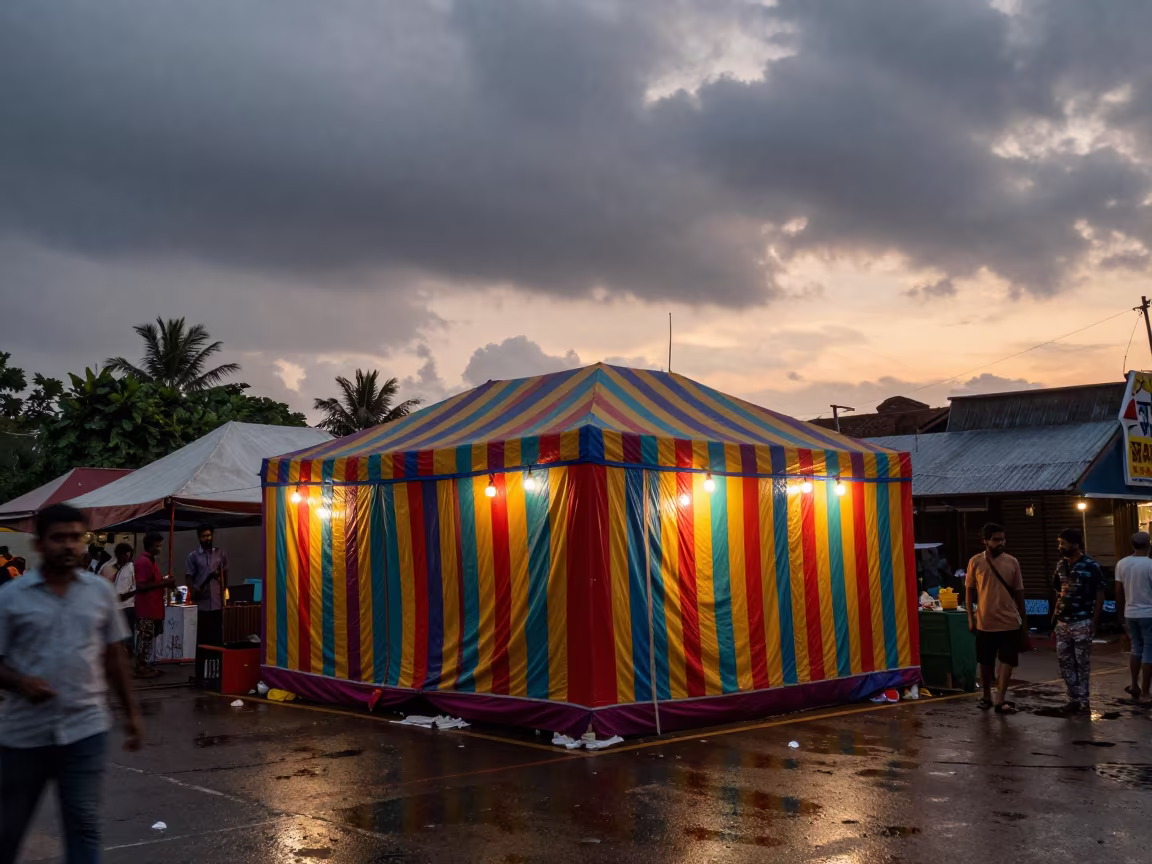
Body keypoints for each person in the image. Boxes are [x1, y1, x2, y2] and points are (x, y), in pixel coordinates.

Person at [0, 503, 143, 864]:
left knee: (83, 825)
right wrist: (20, 682)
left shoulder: (100, 593)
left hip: (84, 730)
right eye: (58, 538)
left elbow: (114, 658)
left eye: (75, 538)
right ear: (39, 544)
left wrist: (132, 716)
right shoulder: (11, 597)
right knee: (7, 829)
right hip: (23, 735)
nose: (68, 546)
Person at [966, 523, 1028, 714]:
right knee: (985, 662)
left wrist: (1024, 622)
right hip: (985, 621)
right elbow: (969, 591)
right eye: (996, 539)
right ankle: (986, 696)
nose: (1001, 542)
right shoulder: (975, 562)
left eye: (1002, 538)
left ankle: (1000, 700)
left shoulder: (1012, 562)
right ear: (984, 541)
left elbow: (1019, 592)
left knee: (1008, 660)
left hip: (1009, 621)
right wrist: (970, 616)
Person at [1050, 527, 1105, 714]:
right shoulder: (1060, 566)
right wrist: (1054, 619)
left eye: (1062, 543)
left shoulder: (1091, 565)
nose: (1060, 547)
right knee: (1064, 662)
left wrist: (1094, 622)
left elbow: (1100, 594)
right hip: (1062, 622)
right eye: (1059, 543)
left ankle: (1084, 700)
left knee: (1082, 663)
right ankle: (1073, 698)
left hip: (1082, 621)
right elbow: (1059, 592)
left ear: (1075, 544)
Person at [1116, 531, 1152, 704]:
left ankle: (1134, 685)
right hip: (1149, 613)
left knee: (1136, 648)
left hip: (1130, 613)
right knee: (1149, 651)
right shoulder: (1150, 565)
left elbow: (1118, 591)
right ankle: (1146, 692)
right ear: (1149, 545)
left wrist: (1120, 616)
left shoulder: (1122, 564)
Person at [133, 533, 174, 678]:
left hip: (152, 608)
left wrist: (163, 581)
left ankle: (144, 665)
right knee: (144, 639)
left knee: (147, 639)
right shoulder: (144, 562)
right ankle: (141, 666)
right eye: (158, 546)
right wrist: (164, 583)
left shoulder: (150, 561)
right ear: (150, 546)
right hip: (146, 609)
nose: (160, 549)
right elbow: (142, 585)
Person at [186, 524, 228, 647]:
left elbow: (225, 574)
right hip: (201, 604)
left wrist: (225, 593)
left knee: (217, 635)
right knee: (203, 636)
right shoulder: (193, 556)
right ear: (199, 537)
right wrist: (193, 592)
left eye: (209, 535)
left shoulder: (221, 553)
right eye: (204, 536)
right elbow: (188, 577)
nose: (207, 538)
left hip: (217, 603)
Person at [100, 543, 137, 655]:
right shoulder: (123, 568)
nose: (118, 559)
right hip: (123, 606)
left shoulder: (128, 569)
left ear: (127, 554)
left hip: (126, 606)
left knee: (126, 636)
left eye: (119, 556)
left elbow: (123, 593)